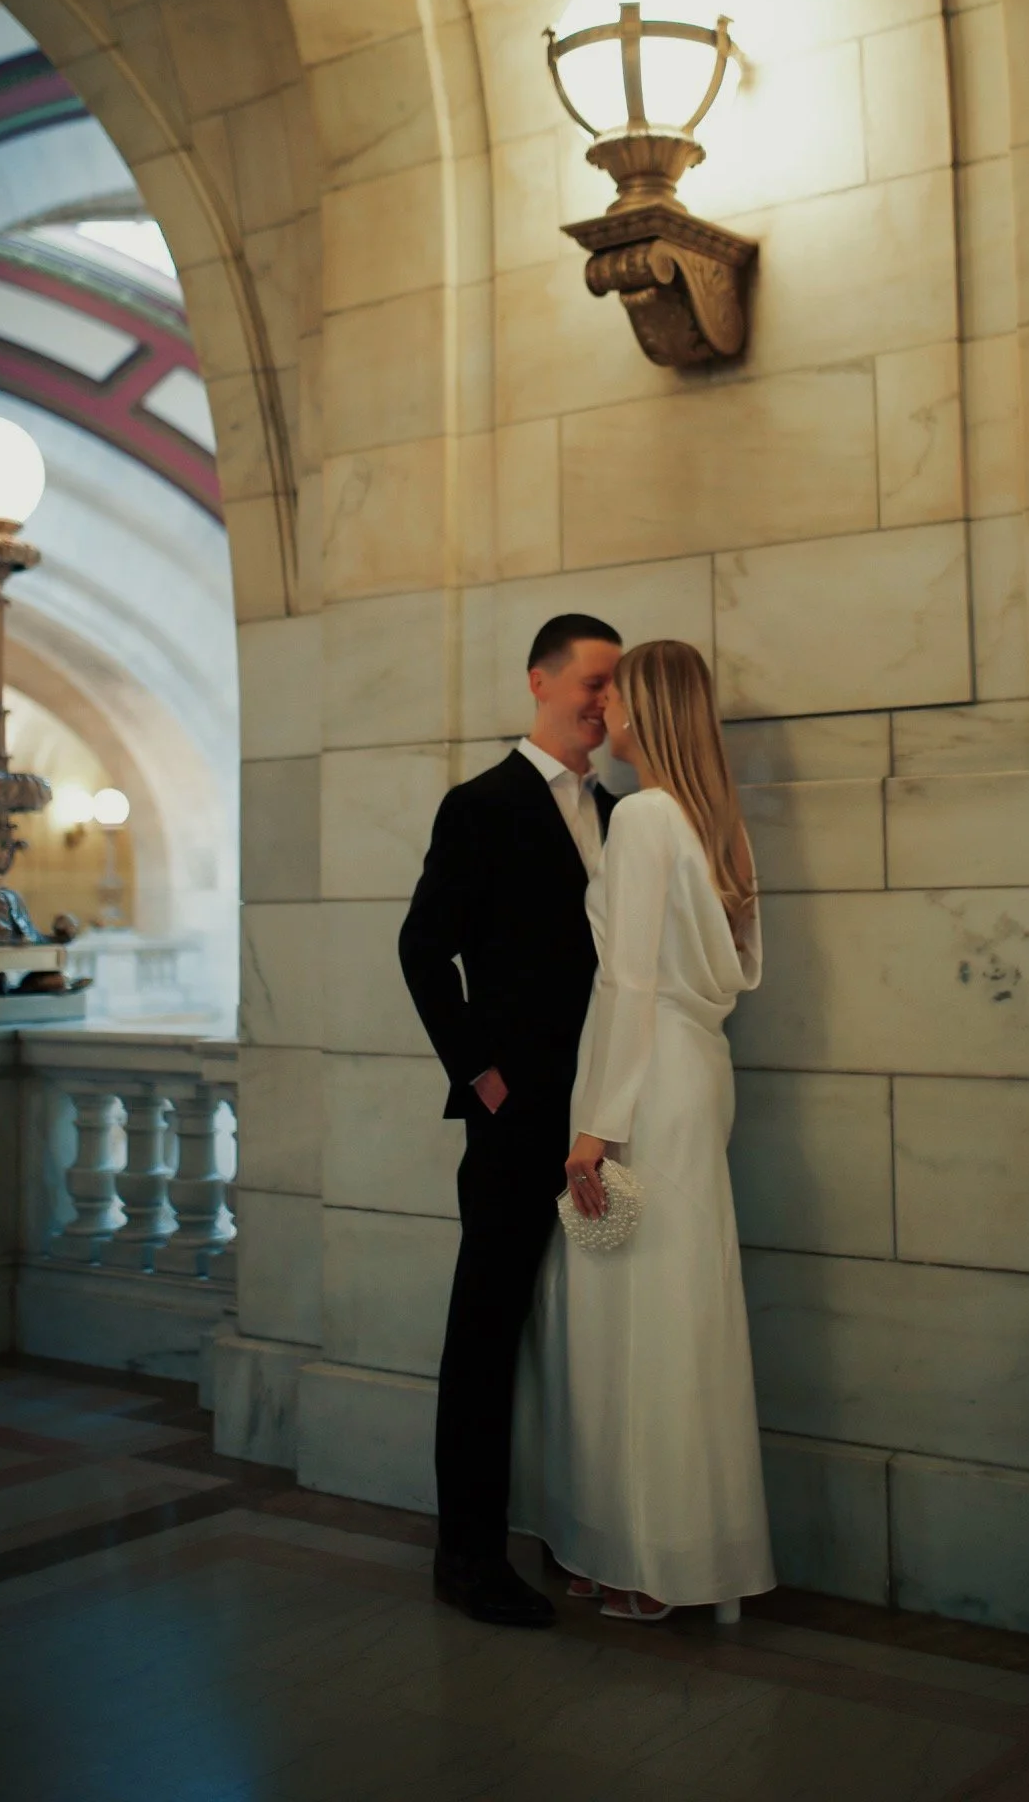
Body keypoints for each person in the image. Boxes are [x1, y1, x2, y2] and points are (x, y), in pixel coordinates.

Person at [521, 638, 775, 1621]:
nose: (605, 715)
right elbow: (738, 972)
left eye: (617, 699)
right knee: (683, 1311)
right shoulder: (719, 825)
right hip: (700, 1073)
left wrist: (595, 1129)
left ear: (648, 713)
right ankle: (685, 1555)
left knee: (624, 1323)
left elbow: (626, 981)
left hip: (644, 1084)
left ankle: (635, 1560)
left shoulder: (643, 820)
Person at [399, 612, 622, 1628]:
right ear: (539, 681)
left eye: (615, 687)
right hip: (518, 1115)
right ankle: (468, 1558)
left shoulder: (622, 811)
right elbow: (421, 948)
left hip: (607, 1115)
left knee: (597, 1334)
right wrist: (482, 1077)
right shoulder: (479, 805)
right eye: (593, 682)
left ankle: (602, 1541)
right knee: (485, 1335)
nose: (606, 703)